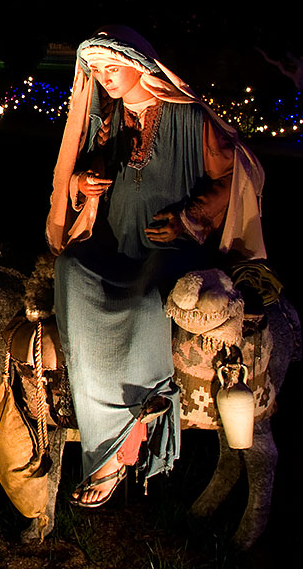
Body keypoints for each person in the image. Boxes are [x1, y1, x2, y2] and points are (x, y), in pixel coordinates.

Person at [45, 27, 268, 507]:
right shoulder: (113, 117)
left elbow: (237, 171)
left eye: (111, 68)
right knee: (71, 272)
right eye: (96, 72)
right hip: (116, 241)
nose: (103, 80)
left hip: (169, 249)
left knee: (150, 303)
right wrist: (83, 182)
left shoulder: (191, 117)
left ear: (140, 65)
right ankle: (104, 424)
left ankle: (125, 438)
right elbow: (87, 166)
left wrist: (191, 217)